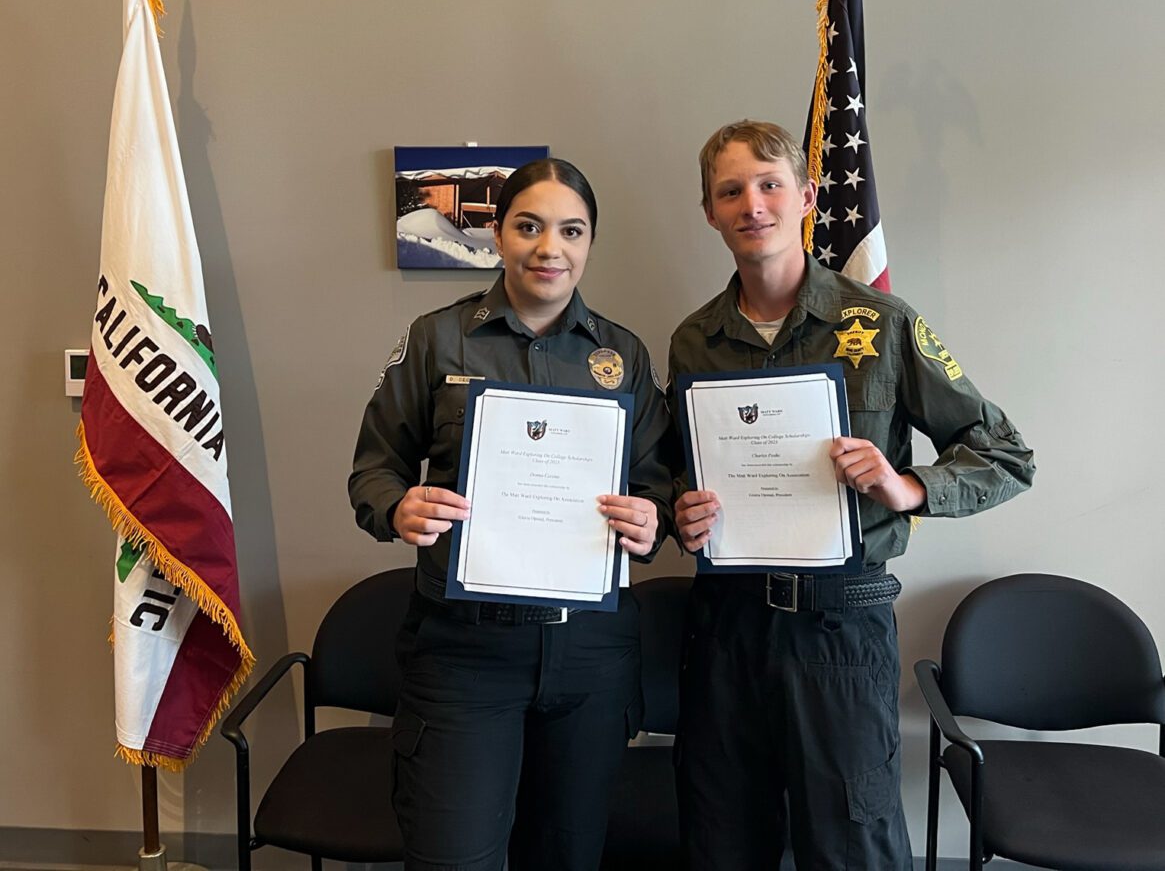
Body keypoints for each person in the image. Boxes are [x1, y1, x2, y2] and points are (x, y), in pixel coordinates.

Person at [668, 120, 1035, 870]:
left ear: (806, 196)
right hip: (727, 629)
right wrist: (682, 509)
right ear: (708, 211)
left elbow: (1006, 454)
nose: (752, 204)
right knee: (722, 837)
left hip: (837, 625)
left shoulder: (880, 321)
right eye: (730, 190)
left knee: (851, 843)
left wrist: (908, 487)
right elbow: (680, 468)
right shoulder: (692, 339)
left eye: (770, 185)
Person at [349, 158, 675, 871]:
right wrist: (396, 506)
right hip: (466, 651)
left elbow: (656, 485)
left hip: (589, 650)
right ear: (497, 233)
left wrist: (651, 521)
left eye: (570, 230)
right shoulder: (437, 339)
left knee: (566, 856)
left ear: (589, 242)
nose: (548, 248)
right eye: (528, 226)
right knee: (452, 857)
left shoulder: (621, 353)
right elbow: (374, 469)